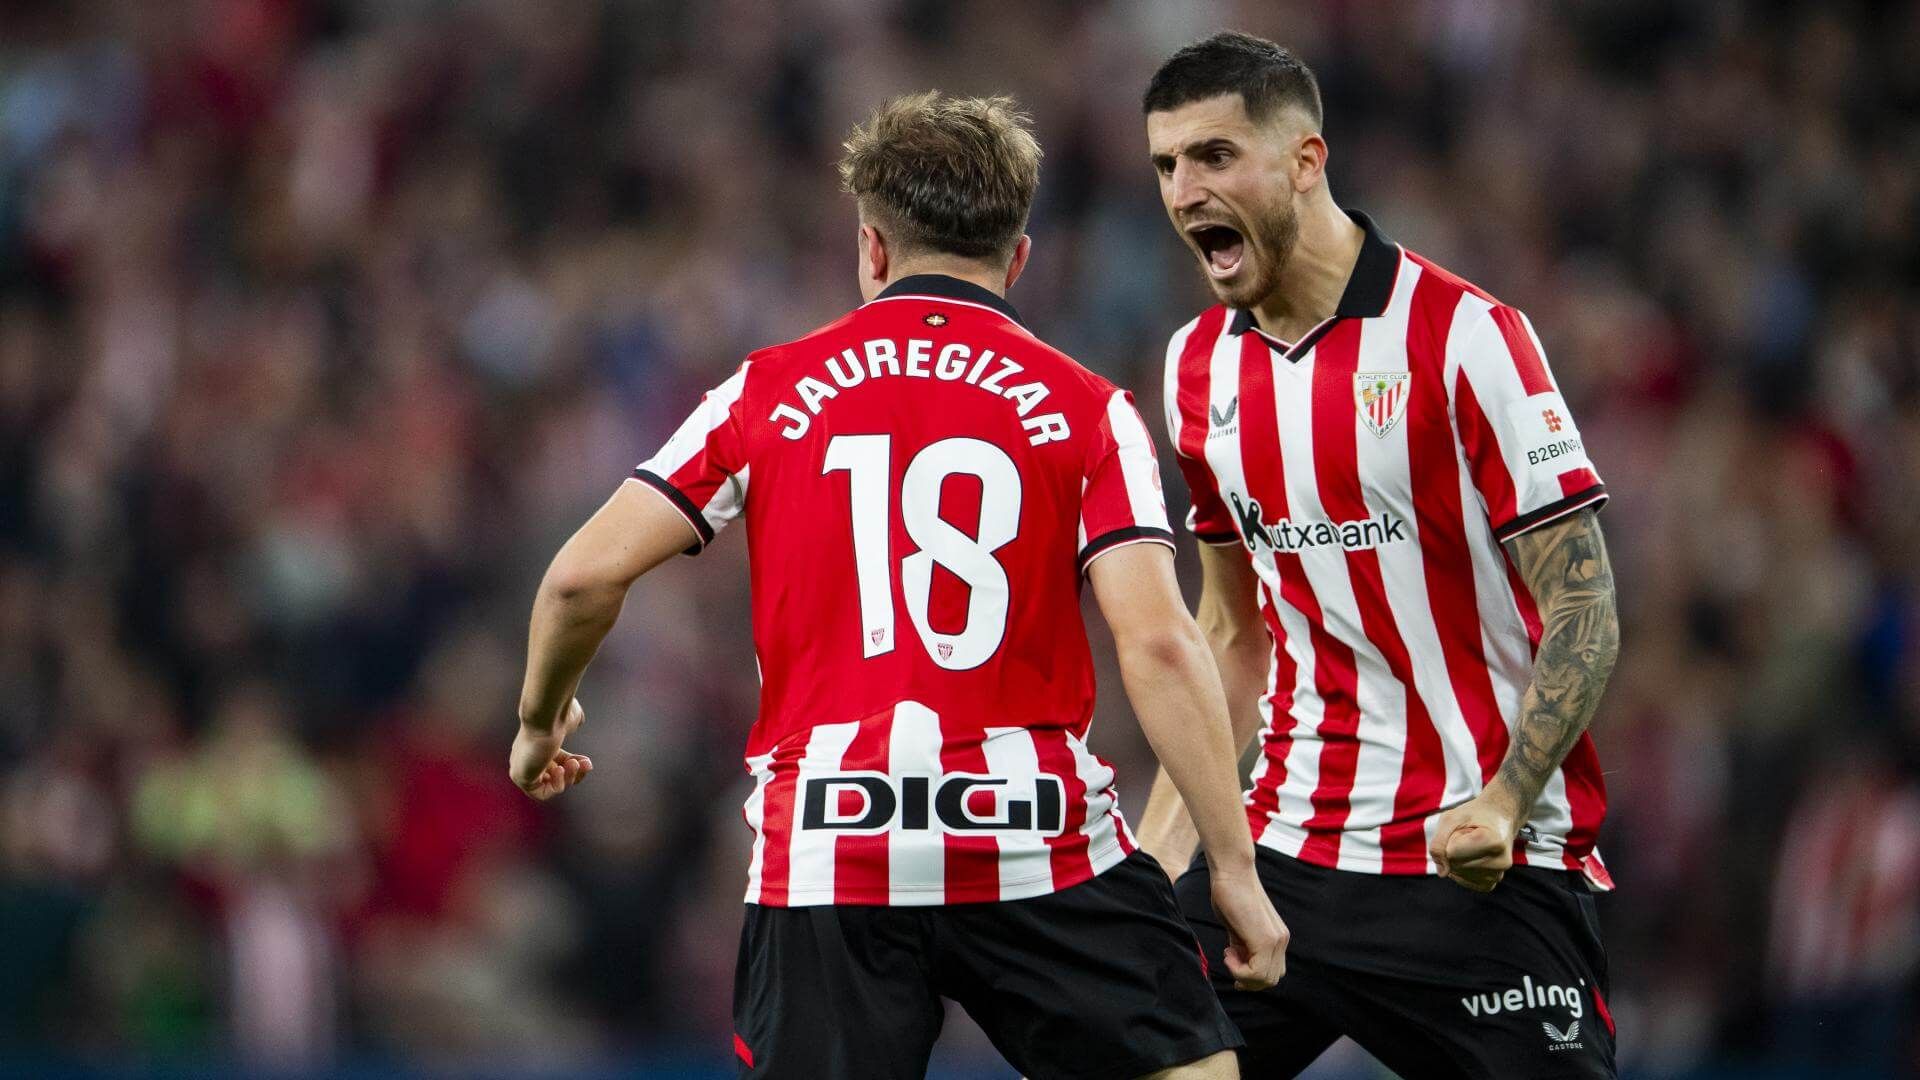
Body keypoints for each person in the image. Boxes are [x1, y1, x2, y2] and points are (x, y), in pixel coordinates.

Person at [509, 91, 1287, 1080]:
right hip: (1030, 839)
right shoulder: (1089, 411)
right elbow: (1161, 644)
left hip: (831, 848)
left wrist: (540, 721)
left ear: (871, 248)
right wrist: (1232, 866)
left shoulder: (765, 394)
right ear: (1018, 259)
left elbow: (579, 578)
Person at [1134, 32, 1622, 1080]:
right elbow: (1228, 636)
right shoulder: (1193, 371)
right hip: (1289, 858)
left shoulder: (1467, 336)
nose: (1184, 191)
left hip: (1480, 866)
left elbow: (1585, 606)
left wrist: (1503, 795)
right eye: (1167, 165)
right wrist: (1164, 858)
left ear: (1308, 160)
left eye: (1215, 156)